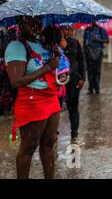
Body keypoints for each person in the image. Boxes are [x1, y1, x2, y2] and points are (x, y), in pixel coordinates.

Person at [5, 16, 61, 179]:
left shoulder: (42, 44)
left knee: (49, 144)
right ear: (21, 25)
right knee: (29, 148)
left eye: (38, 21)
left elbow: (52, 69)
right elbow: (16, 81)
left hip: (51, 99)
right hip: (31, 101)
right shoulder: (16, 47)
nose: (37, 25)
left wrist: (56, 58)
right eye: (31, 22)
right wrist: (47, 67)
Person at [62, 26, 86, 145]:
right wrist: (61, 48)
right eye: (67, 29)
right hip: (59, 80)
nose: (69, 32)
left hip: (73, 79)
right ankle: (53, 133)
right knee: (57, 107)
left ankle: (74, 132)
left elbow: (81, 61)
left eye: (71, 30)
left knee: (73, 106)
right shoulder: (55, 43)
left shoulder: (75, 43)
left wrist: (82, 78)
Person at [83, 22, 108, 94]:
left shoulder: (101, 30)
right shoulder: (87, 30)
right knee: (90, 71)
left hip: (98, 53)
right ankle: (90, 88)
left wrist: (97, 39)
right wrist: (84, 51)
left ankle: (97, 88)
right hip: (88, 53)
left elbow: (107, 40)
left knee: (97, 71)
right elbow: (84, 41)